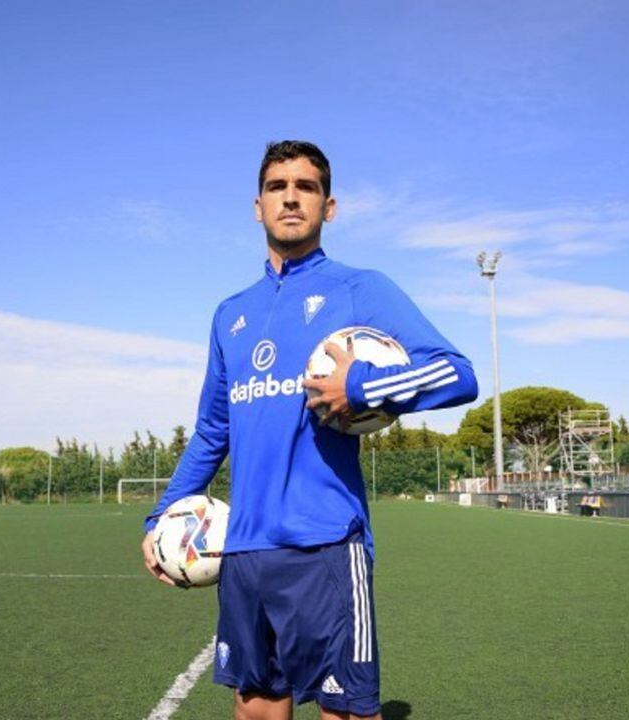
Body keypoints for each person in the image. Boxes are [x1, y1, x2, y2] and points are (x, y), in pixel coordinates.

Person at [141, 140, 478, 720]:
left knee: (346, 713)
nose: (291, 197)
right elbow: (211, 430)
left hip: (326, 544)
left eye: (306, 187)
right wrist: (162, 515)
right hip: (243, 550)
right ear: (257, 206)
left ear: (329, 205)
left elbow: (458, 373)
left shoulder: (359, 288)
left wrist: (363, 387)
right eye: (278, 187)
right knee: (256, 710)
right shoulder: (230, 313)